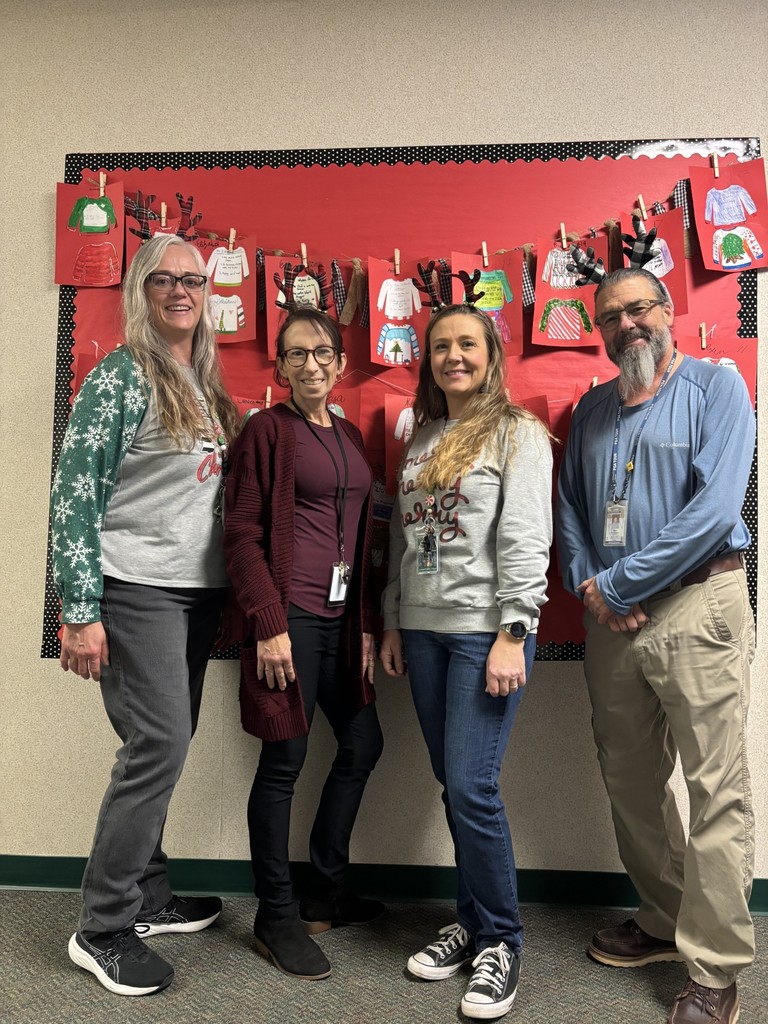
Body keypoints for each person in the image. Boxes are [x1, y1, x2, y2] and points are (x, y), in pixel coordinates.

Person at [557, 268, 755, 1024]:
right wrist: (587, 582)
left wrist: (623, 584)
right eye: (610, 316)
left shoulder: (716, 387)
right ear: (600, 332)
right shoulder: (591, 410)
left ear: (668, 313)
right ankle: (666, 918)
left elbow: (713, 511)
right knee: (631, 782)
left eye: (639, 308)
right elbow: (570, 509)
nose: (626, 324)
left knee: (716, 790)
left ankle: (716, 967)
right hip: (612, 621)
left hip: (699, 607)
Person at [53, 234, 240, 996]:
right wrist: (79, 609)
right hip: (135, 591)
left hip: (192, 595)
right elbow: (75, 494)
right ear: (141, 290)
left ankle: (150, 894)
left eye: (191, 280)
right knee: (157, 744)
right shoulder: (121, 377)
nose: (179, 291)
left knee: (162, 739)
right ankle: (101, 927)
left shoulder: (199, 379)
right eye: (162, 279)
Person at [380, 304, 553, 1020]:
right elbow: (399, 538)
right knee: (453, 783)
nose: (454, 356)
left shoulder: (519, 433)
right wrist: (393, 617)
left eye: (467, 345)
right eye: (441, 346)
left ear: (491, 355)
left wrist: (515, 629)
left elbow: (525, 536)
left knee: (474, 787)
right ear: (427, 360)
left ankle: (503, 942)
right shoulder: (419, 439)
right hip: (422, 631)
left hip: (486, 632)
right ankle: (473, 921)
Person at [223, 306, 384, 981]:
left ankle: (322, 889)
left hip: (343, 623)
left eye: (321, 352)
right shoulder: (267, 431)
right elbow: (239, 534)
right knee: (284, 762)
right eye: (295, 354)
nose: (310, 364)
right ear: (280, 366)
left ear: (340, 362)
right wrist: (268, 622)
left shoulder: (349, 436)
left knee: (364, 741)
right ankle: (276, 913)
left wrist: (370, 621)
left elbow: (364, 537)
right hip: (290, 621)